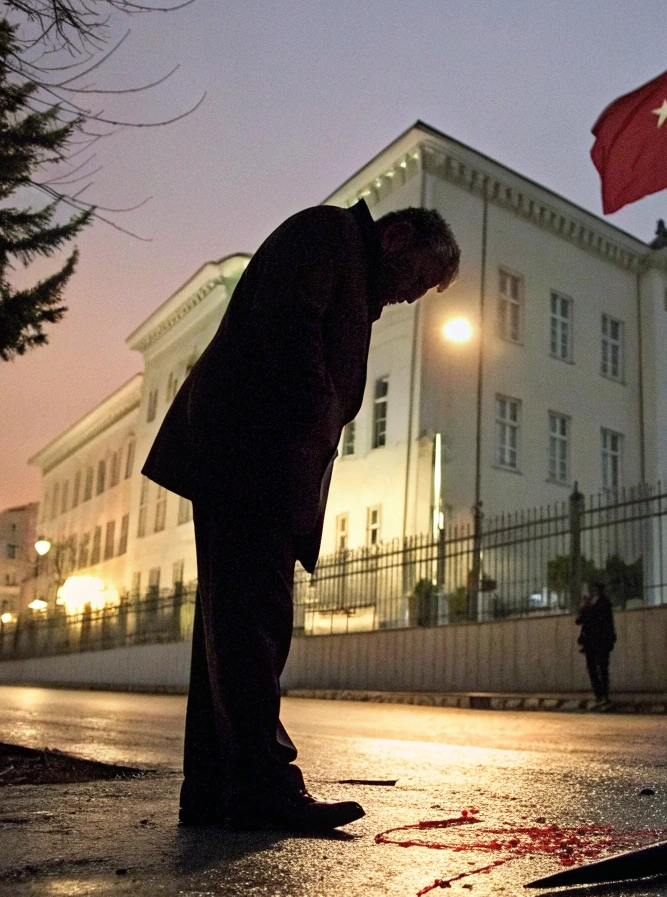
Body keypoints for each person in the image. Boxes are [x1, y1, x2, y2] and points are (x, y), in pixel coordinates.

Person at [142, 200, 460, 830]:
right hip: (251, 451)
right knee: (253, 623)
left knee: (230, 629)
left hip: (252, 452)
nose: (409, 297)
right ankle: (262, 786)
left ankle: (214, 789)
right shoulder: (328, 234)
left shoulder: (340, 251)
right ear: (396, 237)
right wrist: (316, 420)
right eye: (416, 280)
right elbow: (287, 332)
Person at [576, 581, 616, 708]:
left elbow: (603, 621)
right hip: (591, 642)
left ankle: (603, 696)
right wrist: (584, 608)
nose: (592, 593)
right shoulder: (591, 604)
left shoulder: (603, 603)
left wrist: (587, 608)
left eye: (594, 590)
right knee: (593, 669)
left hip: (600, 641)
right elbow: (579, 620)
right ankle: (600, 696)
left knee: (602, 669)